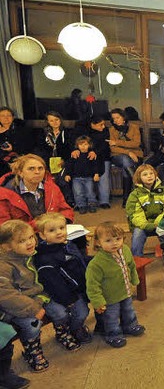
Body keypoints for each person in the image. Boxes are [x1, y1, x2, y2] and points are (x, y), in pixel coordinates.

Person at [0, 220, 54, 371]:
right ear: (7, 246)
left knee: (60, 310)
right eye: (22, 241)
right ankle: (32, 350)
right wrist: (33, 308)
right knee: (32, 324)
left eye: (31, 237)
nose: (30, 242)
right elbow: (5, 295)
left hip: (37, 297)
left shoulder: (29, 254)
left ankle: (63, 331)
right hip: (11, 308)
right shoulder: (4, 265)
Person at [34, 213, 91, 344]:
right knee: (81, 313)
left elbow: (80, 260)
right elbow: (55, 284)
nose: (59, 232)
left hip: (78, 286)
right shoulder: (44, 258)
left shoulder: (68, 244)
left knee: (84, 310)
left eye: (62, 228)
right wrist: (69, 300)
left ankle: (75, 327)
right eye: (52, 230)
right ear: (42, 235)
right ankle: (73, 329)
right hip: (67, 294)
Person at [85, 222, 146, 348]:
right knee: (111, 318)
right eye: (108, 240)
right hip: (109, 298)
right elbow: (92, 286)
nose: (115, 243)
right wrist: (98, 302)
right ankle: (114, 335)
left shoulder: (125, 250)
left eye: (118, 239)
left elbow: (131, 265)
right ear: (98, 242)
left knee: (128, 311)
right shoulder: (96, 264)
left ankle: (130, 326)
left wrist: (134, 279)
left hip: (125, 291)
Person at [0, 154, 74, 227]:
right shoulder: (4, 195)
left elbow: (65, 210)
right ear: (20, 172)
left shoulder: (52, 188)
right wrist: (41, 224)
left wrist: (63, 220)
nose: (37, 172)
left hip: (53, 233)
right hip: (23, 237)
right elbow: (5, 227)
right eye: (31, 168)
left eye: (40, 168)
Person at [125, 165, 164, 257]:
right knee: (138, 234)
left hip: (161, 223)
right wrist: (147, 225)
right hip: (143, 225)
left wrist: (159, 223)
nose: (149, 176)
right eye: (145, 174)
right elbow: (135, 214)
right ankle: (137, 259)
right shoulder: (134, 195)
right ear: (139, 178)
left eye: (151, 173)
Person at [71, 115, 111, 209]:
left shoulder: (105, 132)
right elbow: (78, 144)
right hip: (86, 158)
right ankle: (81, 203)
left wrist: (95, 152)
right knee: (82, 180)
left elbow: (105, 146)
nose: (103, 127)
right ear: (93, 124)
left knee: (104, 178)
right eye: (100, 125)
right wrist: (77, 150)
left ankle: (104, 201)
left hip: (103, 157)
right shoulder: (83, 132)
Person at [109, 108, 143, 206]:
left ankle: (126, 199)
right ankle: (138, 185)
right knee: (125, 160)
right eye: (113, 119)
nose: (116, 120)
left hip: (136, 155)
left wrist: (118, 142)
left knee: (126, 169)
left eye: (118, 118)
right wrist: (128, 152)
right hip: (118, 156)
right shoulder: (112, 130)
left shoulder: (134, 127)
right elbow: (113, 148)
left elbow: (136, 143)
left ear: (123, 117)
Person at [64, 135, 100, 214]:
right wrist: (67, 174)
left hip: (88, 178)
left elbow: (95, 165)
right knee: (78, 192)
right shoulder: (75, 155)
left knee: (90, 191)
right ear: (77, 146)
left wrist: (96, 174)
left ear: (89, 145)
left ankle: (92, 204)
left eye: (85, 144)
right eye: (81, 145)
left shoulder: (91, 155)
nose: (83, 147)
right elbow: (69, 166)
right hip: (76, 178)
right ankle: (81, 205)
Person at [0, 107, 33, 177]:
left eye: (8, 115)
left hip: (16, 156)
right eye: (2, 116)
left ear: (13, 117)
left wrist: (13, 148)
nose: (6, 118)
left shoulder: (21, 129)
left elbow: (28, 146)